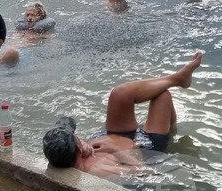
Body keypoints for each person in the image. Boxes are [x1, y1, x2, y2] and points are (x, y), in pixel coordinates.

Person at [41, 52, 203, 178]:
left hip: (112, 133)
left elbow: (66, 121)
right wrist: (115, 150)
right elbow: (146, 174)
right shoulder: (97, 170)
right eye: (75, 138)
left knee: (120, 94)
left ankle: (177, 79)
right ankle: (171, 135)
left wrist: (82, 143)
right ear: (74, 147)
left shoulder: (65, 151)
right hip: (146, 144)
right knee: (163, 96)